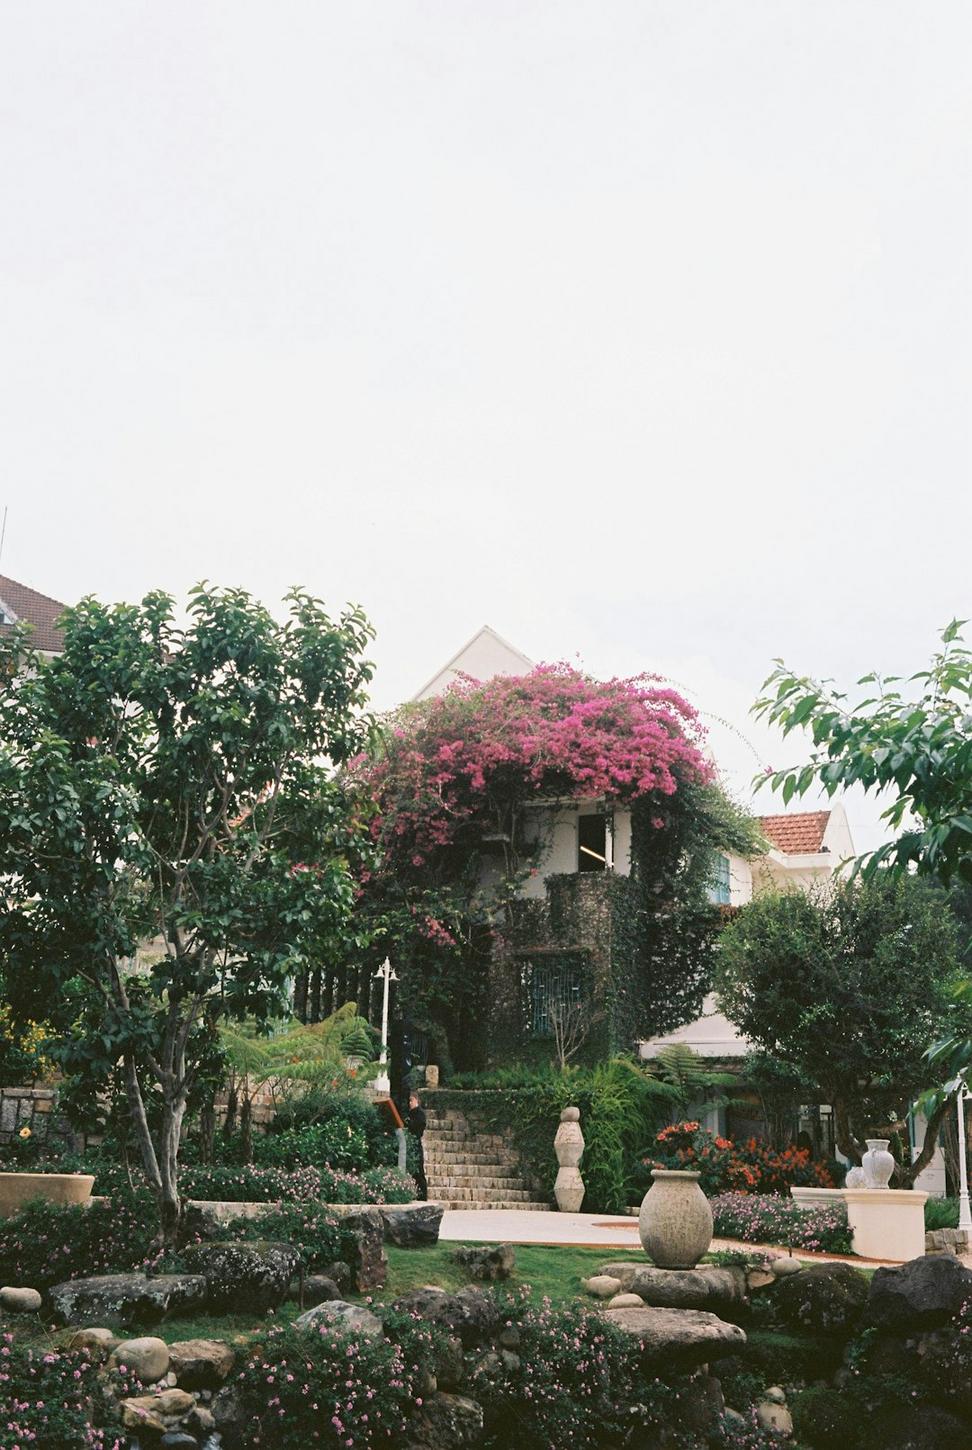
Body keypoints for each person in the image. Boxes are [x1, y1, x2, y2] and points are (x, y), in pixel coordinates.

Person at [407, 1090, 428, 1200]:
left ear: (417, 1101)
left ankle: (422, 1196)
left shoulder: (420, 1114)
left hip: (415, 1144)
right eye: (409, 1101)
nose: (409, 1103)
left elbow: (418, 1129)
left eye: (411, 1100)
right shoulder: (409, 1113)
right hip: (409, 1144)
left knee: (419, 1172)